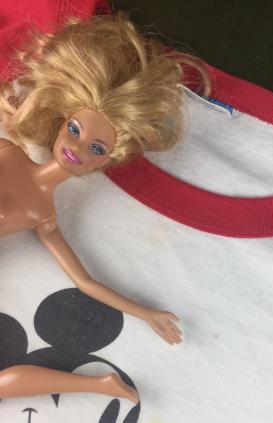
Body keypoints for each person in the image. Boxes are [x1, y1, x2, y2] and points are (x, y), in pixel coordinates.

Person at [0, 12, 211, 401]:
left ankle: (98, 385)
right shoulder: (7, 152)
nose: (77, 148)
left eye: (96, 148)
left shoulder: (44, 215)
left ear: (106, 160)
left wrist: (145, 313)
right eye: (75, 131)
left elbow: (85, 282)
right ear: (62, 122)